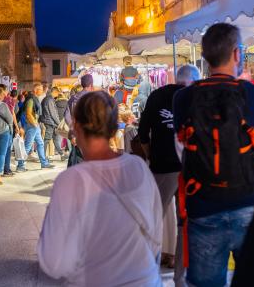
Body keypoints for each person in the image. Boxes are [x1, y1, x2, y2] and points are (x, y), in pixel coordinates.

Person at [38, 91, 163, 286]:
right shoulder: (138, 168)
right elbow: (155, 234)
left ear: (76, 127)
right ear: (114, 128)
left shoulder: (71, 180)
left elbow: (55, 263)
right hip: (145, 279)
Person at [174, 23, 254, 287]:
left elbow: (181, 153)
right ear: (237, 54)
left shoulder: (182, 98)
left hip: (203, 206)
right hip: (251, 206)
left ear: (204, 56)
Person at [139, 64, 200, 278]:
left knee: (153, 221)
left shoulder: (157, 95)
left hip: (162, 168)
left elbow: (142, 131)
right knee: (185, 224)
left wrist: (149, 154)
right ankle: (180, 278)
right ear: (193, 80)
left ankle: (149, 272)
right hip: (188, 169)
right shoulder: (196, 97)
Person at [16, 83, 54, 172]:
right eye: (40, 89)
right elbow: (28, 113)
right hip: (32, 125)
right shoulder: (31, 99)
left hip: (34, 125)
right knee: (27, 146)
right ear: (36, 90)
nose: (42, 91)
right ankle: (20, 166)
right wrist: (34, 124)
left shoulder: (32, 98)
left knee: (40, 144)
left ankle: (44, 163)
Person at [65, 74, 93, 167]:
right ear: (91, 85)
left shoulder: (72, 99)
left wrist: (73, 133)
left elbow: (67, 116)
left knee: (78, 159)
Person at [0, 83, 20, 176]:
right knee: (7, 149)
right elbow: (13, 114)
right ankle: (6, 169)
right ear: (4, 90)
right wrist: (16, 126)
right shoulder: (9, 100)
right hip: (7, 127)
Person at [40, 87, 67, 161]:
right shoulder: (49, 100)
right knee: (47, 139)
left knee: (53, 139)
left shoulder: (48, 99)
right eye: (57, 93)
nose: (58, 95)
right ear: (54, 92)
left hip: (49, 122)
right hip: (49, 122)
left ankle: (61, 154)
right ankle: (43, 157)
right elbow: (53, 113)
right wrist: (59, 123)